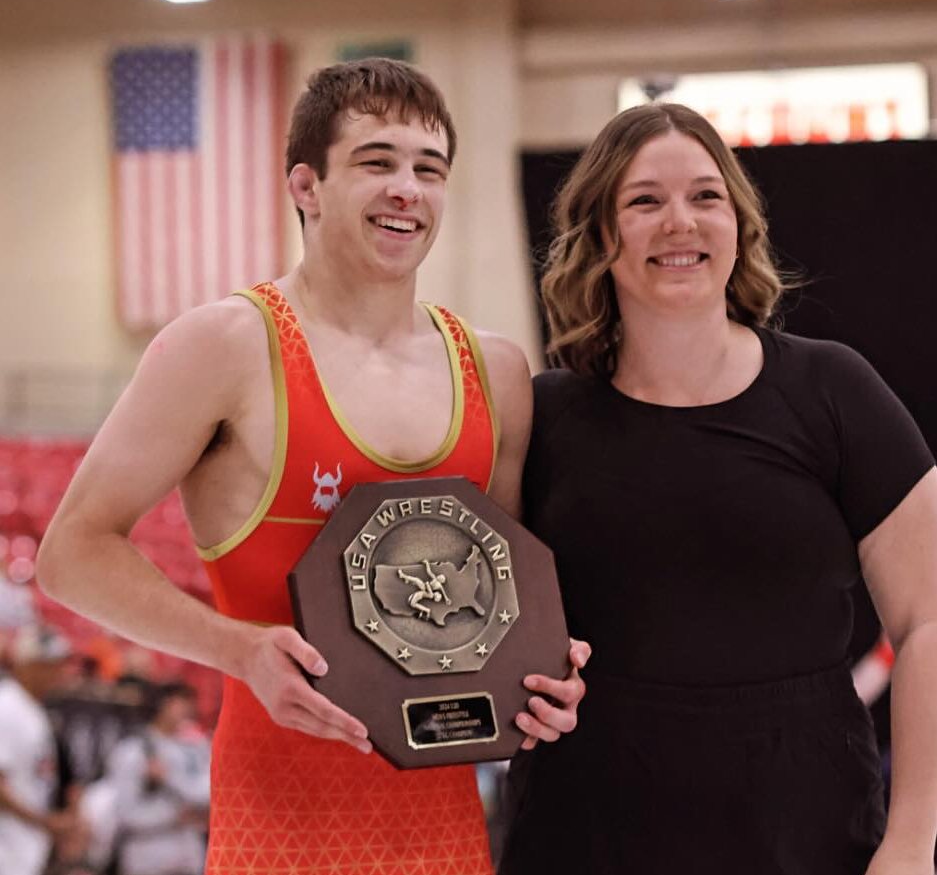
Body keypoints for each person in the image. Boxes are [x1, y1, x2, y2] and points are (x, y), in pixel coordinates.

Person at [36, 58, 588, 875]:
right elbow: (69, 552)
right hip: (279, 814)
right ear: (306, 184)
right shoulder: (223, 345)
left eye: (428, 170)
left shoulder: (494, 369)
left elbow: (503, 607)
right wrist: (238, 649)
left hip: (441, 821)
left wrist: (547, 680)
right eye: (377, 161)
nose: (408, 188)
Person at [499, 102, 937, 874]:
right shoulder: (542, 417)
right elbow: (481, 631)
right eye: (643, 201)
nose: (681, 223)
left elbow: (928, 617)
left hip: (806, 833)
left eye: (706, 196)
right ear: (602, 236)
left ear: (739, 224)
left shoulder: (833, 389)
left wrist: (911, 842)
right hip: (583, 830)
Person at [0, 623, 83, 875]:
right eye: (50, 665)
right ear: (27, 665)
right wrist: (46, 822)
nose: (59, 673)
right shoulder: (6, 707)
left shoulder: (34, 710)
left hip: (25, 844)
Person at [106, 682, 210, 875]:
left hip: (191, 854)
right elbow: (125, 814)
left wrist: (170, 778)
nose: (187, 709)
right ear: (161, 704)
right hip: (149, 856)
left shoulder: (196, 746)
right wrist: (173, 817)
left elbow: (209, 793)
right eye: (179, 702)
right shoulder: (134, 750)